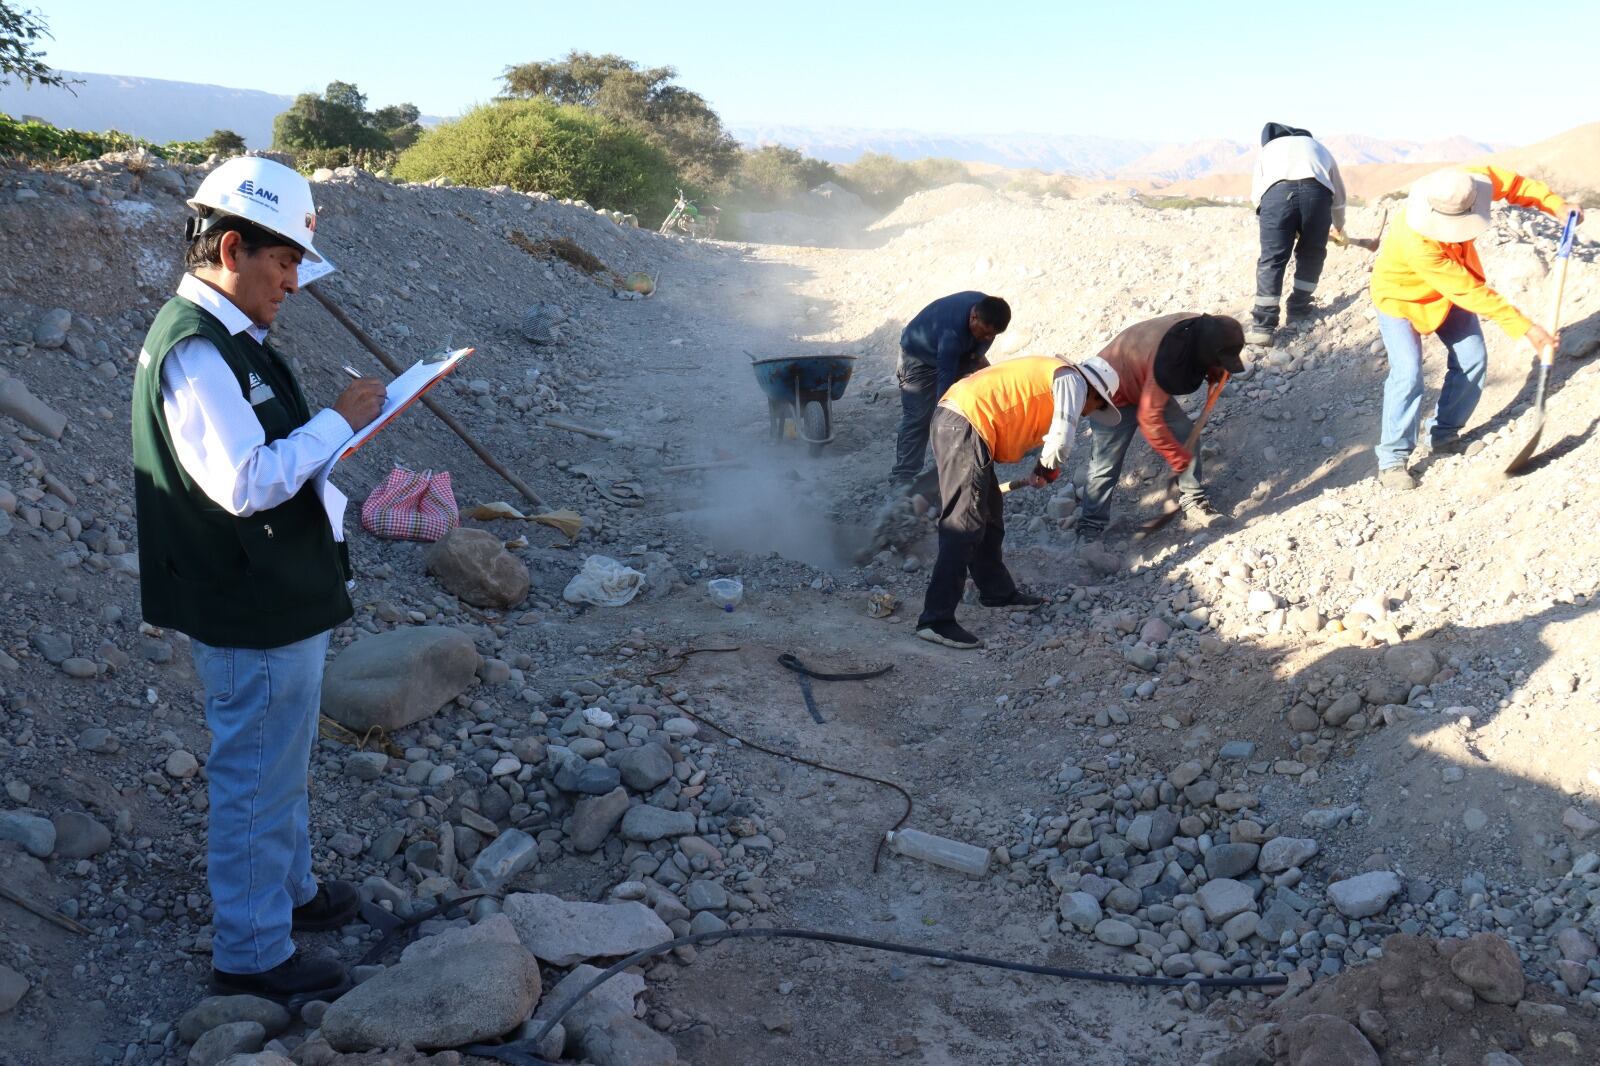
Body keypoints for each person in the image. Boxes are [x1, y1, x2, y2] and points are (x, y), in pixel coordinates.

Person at [131, 157, 385, 999]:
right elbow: (243, 482)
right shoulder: (195, 352)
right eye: (286, 264)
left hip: (276, 593)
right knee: (256, 771)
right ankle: (250, 953)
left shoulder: (230, 340)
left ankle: (291, 893)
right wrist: (334, 424)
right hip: (250, 605)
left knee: (282, 756)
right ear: (233, 247)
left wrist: (331, 436)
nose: (295, 285)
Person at [1369, 166, 1580, 489]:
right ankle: (1393, 459)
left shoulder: (1467, 184)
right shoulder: (1417, 243)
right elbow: (1470, 291)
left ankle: (1443, 435)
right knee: (1408, 373)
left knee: (1473, 359)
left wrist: (1555, 204)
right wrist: (1528, 329)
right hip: (1401, 300)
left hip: (1450, 293)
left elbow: (1517, 185)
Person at [916, 355, 1121, 650]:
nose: (1087, 414)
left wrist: (1044, 467)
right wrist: (1046, 470)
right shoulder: (1072, 381)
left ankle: (996, 592)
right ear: (1093, 393)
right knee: (964, 524)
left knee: (989, 516)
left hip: (965, 423)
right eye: (1096, 408)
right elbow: (1062, 438)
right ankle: (935, 620)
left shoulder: (1058, 377)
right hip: (965, 422)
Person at [1078, 313, 1245, 540]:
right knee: (1105, 466)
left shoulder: (1203, 331)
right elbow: (1150, 420)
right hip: (1108, 395)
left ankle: (1193, 499)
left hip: (1145, 379)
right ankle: (1090, 527)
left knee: (1187, 434)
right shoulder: (1168, 358)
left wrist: (1216, 367)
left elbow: (1206, 358)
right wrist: (1176, 456)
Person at [891, 292, 1011, 485]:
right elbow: (945, 380)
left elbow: (975, 357)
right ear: (973, 318)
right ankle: (903, 477)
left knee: (982, 393)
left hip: (956, 353)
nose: (988, 338)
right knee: (919, 418)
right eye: (986, 333)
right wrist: (944, 418)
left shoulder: (988, 315)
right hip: (918, 358)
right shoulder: (952, 333)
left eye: (992, 335)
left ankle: (1006, 441)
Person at [1247, 123, 1346, 347]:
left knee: (1272, 259)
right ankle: (1299, 310)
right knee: (1312, 253)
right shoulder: (1318, 147)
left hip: (1276, 197)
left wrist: (1271, 226)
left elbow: (1257, 194)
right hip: (1317, 195)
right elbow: (1339, 196)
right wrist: (1339, 226)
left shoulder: (1267, 151)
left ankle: (1263, 327)